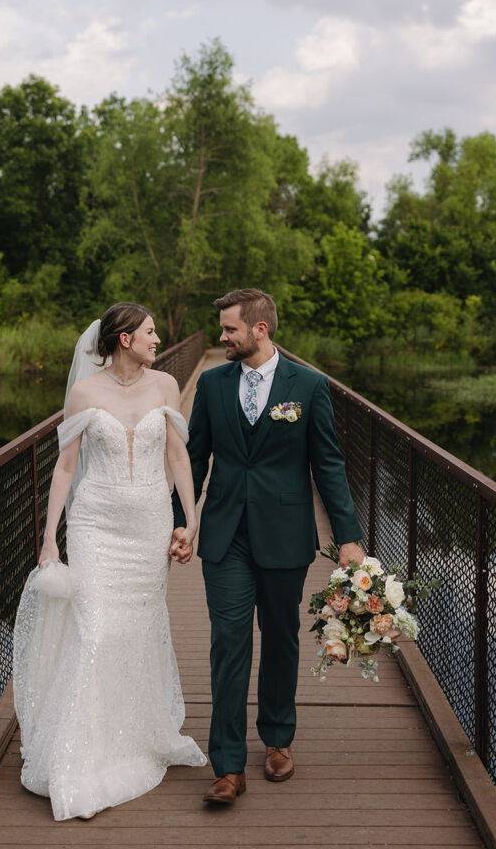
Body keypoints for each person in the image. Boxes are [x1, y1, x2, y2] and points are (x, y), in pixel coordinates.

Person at [13, 303, 206, 822]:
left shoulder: (166, 385)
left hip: (147, 526)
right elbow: (65, 467)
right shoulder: (84, 392)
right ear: (123, 339)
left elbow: (177, 457)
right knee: (95, 631)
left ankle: (133, 732)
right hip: (95, 524)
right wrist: (50, 539)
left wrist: (190, 519)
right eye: (148, 331)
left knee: (136, 631)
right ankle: (84, 751)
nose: (156, 337)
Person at [172, 288, 364, 804]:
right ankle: (228, 765)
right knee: (228, 644)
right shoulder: (211, 385)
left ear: (260, 329)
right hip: (225, 533)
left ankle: (278, 739)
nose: (222, 337)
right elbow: (193, 460)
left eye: (230, 329)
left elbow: (327, 464)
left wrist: (347, 537)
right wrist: (181, 522)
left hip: (285, 534)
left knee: (281, 638)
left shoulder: (310, 386)